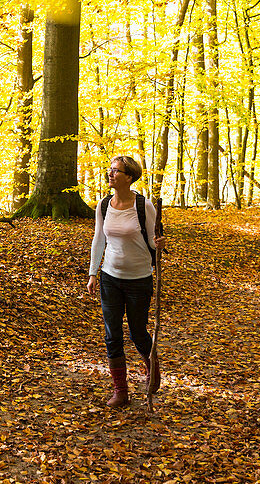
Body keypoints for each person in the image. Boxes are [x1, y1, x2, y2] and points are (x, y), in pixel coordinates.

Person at [85, 155, 164, 408]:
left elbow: (153, 241)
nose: (110, 174)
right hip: (110, 278)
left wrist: (161, 244)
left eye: (116, 171)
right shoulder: (104, 205)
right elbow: (99, 239)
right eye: (110, 170)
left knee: (137, 332)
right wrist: (93, 273)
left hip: (139, 279)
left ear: (129, 177)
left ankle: (151, 365)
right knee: (112, 335)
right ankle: (121, 390)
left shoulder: (144, 206)